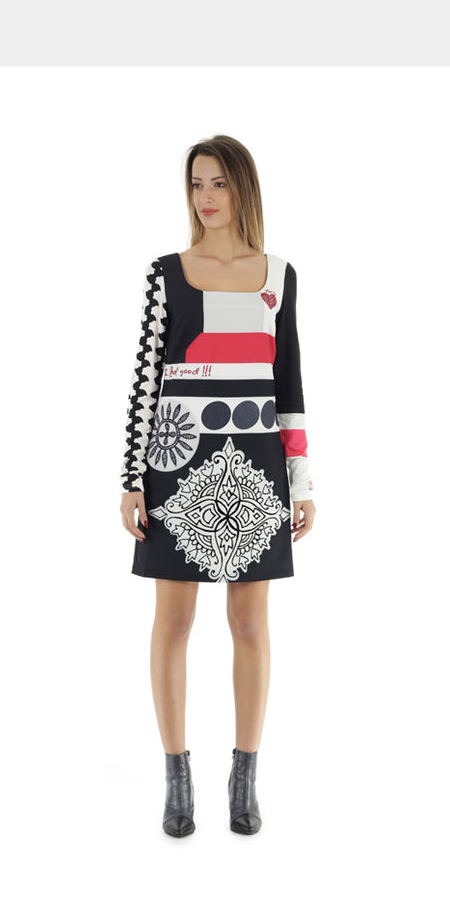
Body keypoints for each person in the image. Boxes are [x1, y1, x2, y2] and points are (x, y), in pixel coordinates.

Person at [119, 135, 316, 838]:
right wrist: (131, 479)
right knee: (173, 622)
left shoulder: (278, 275)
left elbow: (287, 382)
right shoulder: (165, 274)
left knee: (250, 624)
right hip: (175, 458)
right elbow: (146, 379)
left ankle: (244, 777)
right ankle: (177, 779)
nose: (206, 197)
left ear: (243, 189)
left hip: (254, 462)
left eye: (219, 184)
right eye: (197, 184)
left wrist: (300, 479)